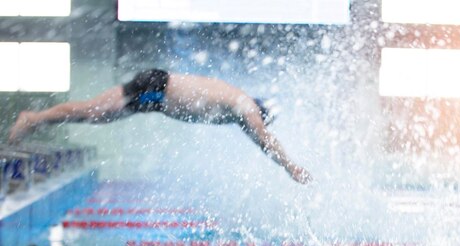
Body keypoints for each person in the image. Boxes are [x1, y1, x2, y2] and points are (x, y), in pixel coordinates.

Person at [8, 69, 311, 184]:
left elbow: (260, 140)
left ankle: (36, 119)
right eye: (263, 121)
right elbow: (265, 140)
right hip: (157, 86)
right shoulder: (246, 106)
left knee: (91, 116)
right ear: (262, 112)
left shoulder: (239, 109)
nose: (259, 126)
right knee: (91, 111)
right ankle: (32, 119)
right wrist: (291, 167)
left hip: (155, 98)